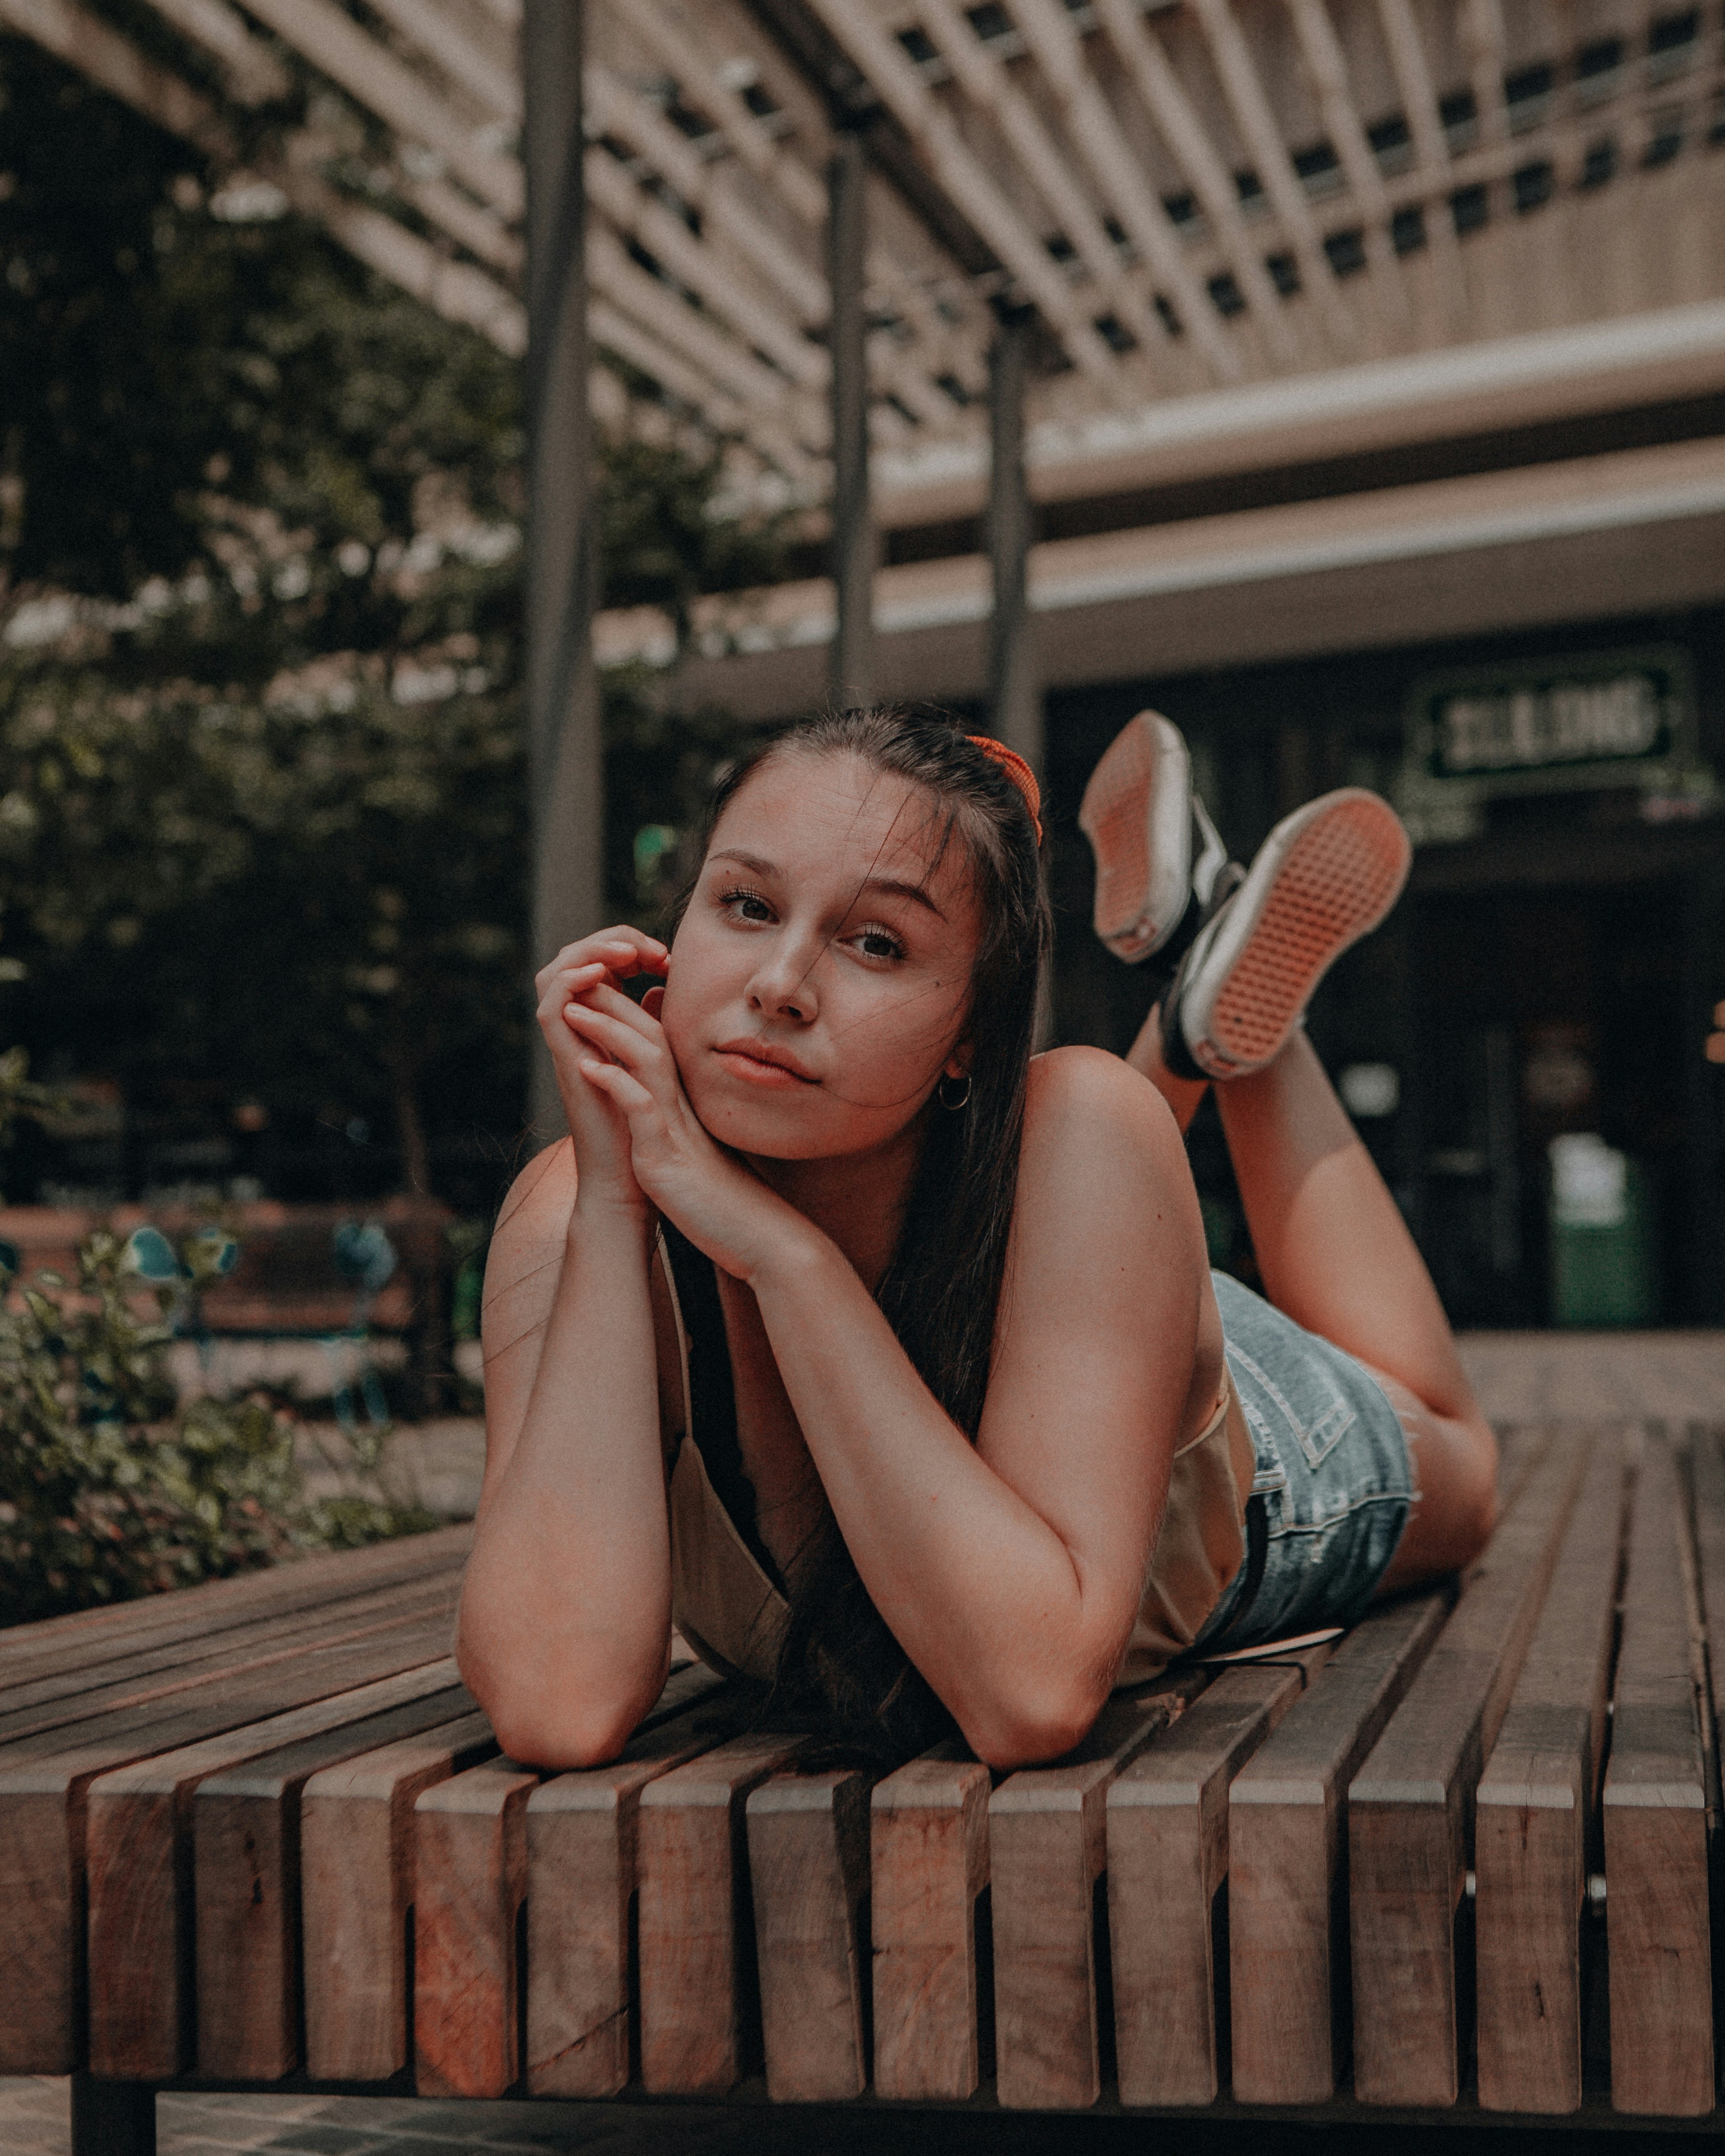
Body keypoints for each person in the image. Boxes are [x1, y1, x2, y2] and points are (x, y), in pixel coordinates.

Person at [458, 707, 1497, 1772]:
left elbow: (1029, 1694)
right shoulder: (577, 1212)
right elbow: (558, 1704)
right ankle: (1197, 979)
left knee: (1462, 1471)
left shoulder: (1083, 1124)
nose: (778, 983)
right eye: (747, 904)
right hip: (1084, 1289)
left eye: (876, 942)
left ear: (972, 1034)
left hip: (1182, 1385)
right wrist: (615, 1207)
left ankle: (1221, 989)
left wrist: (783, 1256)